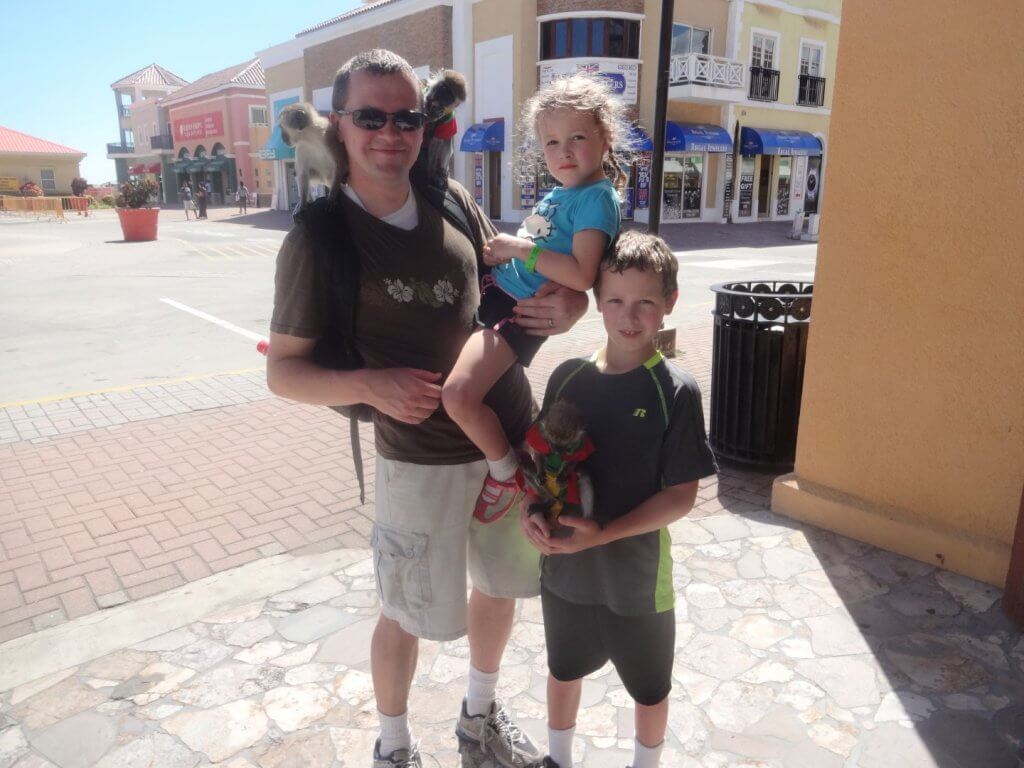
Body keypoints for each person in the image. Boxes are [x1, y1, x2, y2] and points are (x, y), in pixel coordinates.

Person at [266, 49, 587, 768]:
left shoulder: (450, 199)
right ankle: (395, 745)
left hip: (508, 437)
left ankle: (478, 717)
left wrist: (564, 306)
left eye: (406, 116)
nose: (391, 132)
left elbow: (515, 286)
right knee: (404, 610)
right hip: (417, 459)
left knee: (501, 587)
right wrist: (369, 386)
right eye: (370, 116)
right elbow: (284, 373)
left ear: (425, 122)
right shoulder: (319, 238)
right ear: (339, 126)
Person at [521, 231, 718, 768]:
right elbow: (541, 469)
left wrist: (606, 533)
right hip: (565, 572)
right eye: (614, 301)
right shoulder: (568, 376)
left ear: (669, 304)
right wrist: (531, 511)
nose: (628, 317)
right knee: (563, 668)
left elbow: (681, 496)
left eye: (644, 303)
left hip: (636, 576)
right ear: (597, 302)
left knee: (649, 688)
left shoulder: (676, 390)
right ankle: (557, 759)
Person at [442, 74, 625, 525]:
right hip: (502, 293)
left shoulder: (596, 200)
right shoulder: (567, 192)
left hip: (517, 311)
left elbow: (582, 274)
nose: (563, 152)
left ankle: (505, 471)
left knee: (459, 395)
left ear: (606, 138)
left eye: (577, 138)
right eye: (551, 142)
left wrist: (520, 249)